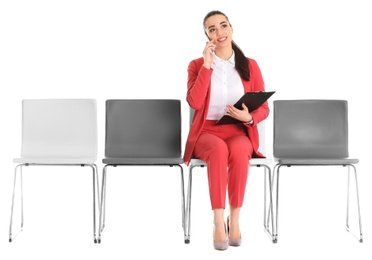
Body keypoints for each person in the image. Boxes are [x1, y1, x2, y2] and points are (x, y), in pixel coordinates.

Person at [183, 10, 270, 250]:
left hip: (237, 130)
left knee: (242, 150)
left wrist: (249, 117)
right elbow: (195, 103)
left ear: (231, 28)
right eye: (212, 29)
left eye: (223, 26)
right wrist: (207, 66)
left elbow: (264, 108)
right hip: (206, 133)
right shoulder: (196, 65)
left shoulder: (250, 65)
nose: (219, 32)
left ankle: (236, 220)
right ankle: (218, 221)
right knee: (219, 151)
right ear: (207, 37)